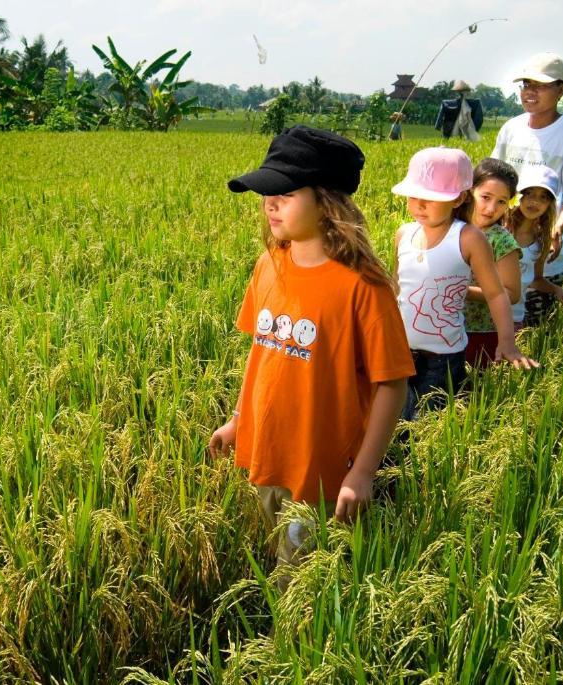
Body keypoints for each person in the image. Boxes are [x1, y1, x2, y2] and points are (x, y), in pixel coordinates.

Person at [208, 125, 415, 586]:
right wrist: (239, 419)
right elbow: (258, 355)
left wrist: (363, 472)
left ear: (327, 202)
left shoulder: (363, 286)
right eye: (266, 192)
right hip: (267, 453)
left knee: (299, 584)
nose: (270, 203)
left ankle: (289, 649)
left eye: (284, 191)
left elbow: (392, 383)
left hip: (322, 470)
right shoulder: (269, 264)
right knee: (275, 548)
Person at [392, 147, 538, 421]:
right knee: (395, 418)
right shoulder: (404, 234)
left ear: (459, 198)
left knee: (428, 424)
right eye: (415, 196)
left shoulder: (469, 237)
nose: (420, 204)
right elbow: (396, 288)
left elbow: (497, 294)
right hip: (400, 350)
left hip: (443, 356)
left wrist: (507, 342)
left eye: (432, 197)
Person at [491, 52, 563, 321]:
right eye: (526, 85)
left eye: (540, 86)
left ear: (560, 90)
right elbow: (494, 177)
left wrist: (556, 229)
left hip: (543, 249)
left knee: (535, 329)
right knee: (499, 320)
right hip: (505, 240)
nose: (530, 92)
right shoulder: (511, 128)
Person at [457, 158, 522, 367]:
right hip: (445, 327)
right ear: (469, 192)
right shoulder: (452, 227)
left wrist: (462, 290)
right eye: (485, 197)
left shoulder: (502, 241)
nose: (491, 208)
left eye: (501, 201)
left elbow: (511, 293)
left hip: (481, 332)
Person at [505, 165, 563, 326]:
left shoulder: (541, 242)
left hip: (514, 318)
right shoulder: (499, 230)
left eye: (543, 197)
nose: (534, 201)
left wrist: (558, 290)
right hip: (484, 312)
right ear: (517, 196)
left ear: (549, 205)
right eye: (529, 193)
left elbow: (535, 279)